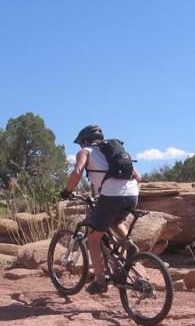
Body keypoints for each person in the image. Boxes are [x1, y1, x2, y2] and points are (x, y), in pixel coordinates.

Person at [60, 124, 141, 294]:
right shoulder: (114, 152)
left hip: (111, 196)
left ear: (84, 141)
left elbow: (77, 171)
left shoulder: (85, 152)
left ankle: (100, 282)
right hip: (133, 194)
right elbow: (138, 177)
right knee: (115, 220)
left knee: (93, 239)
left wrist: (68, 191)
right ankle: (130, 244)